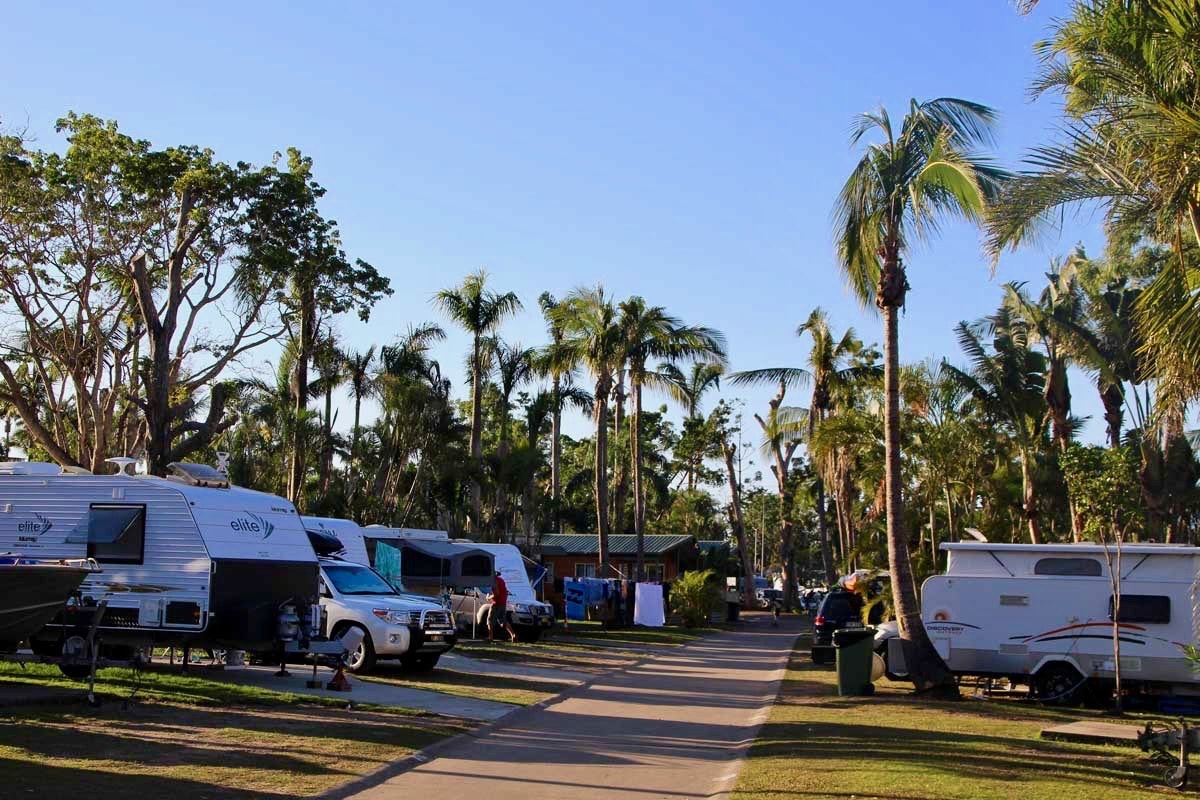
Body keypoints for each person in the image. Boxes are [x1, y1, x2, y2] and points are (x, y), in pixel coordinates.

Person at [486, 571, 518, 643]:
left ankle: (490, 637)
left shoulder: (494, 581)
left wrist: (488, 597)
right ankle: (513, 634)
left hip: (496, 603)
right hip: (503, 602)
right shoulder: (501, 580)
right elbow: (504, 591)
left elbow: (496, 593)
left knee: (490, 619)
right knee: (502, 620)